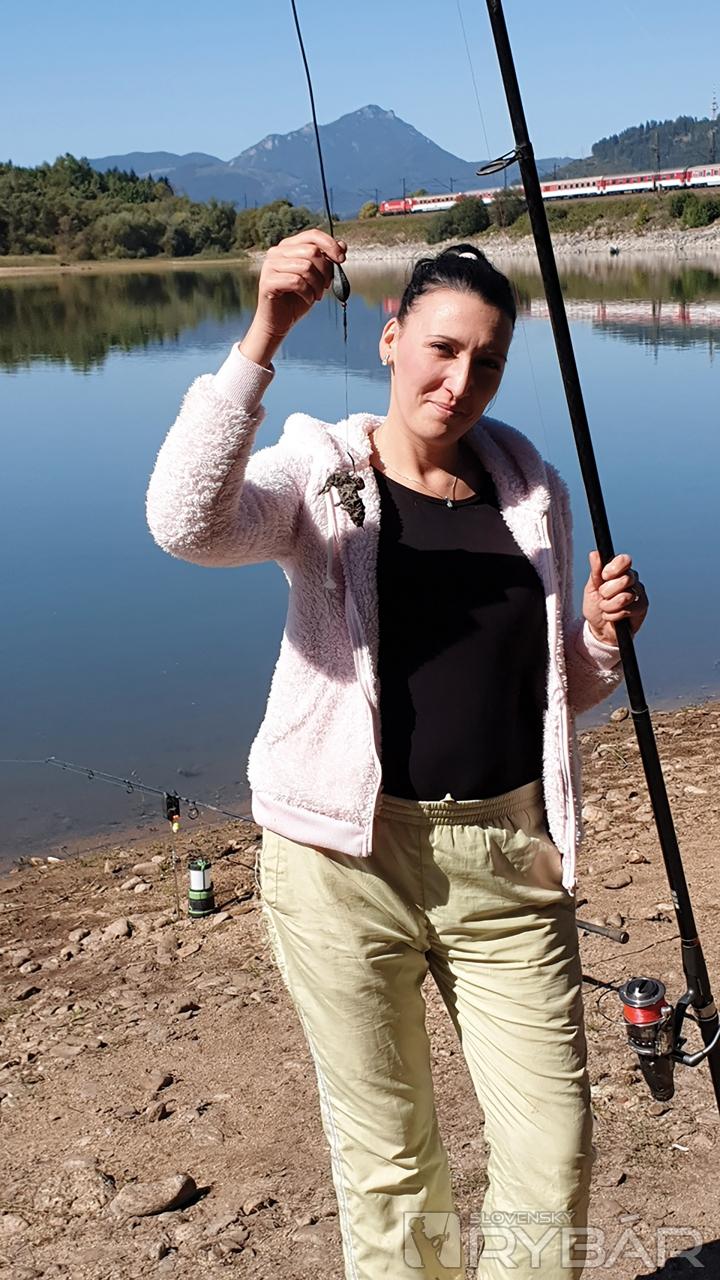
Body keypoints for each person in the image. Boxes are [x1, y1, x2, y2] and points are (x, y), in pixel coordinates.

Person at [146, 229, 649, 1280]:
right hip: (343, 866)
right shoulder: (322, 476)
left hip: (508, 863)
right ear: (390, 339)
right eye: (442, 349)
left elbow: (551, 692)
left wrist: (602, 636)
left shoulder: (530, 489)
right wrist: (262, 334)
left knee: (554, 1151)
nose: (461, 382)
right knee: (390, 1166)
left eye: (487, 362)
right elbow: (186, 524)